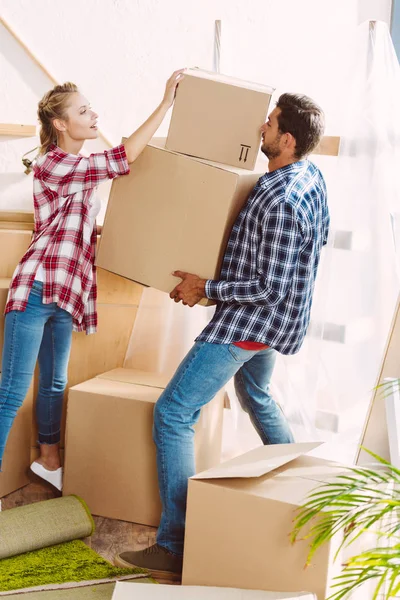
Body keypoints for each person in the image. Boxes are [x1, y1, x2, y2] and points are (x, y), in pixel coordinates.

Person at [115, 93, 330, 580]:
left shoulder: (280, 200)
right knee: (254, 393)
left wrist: (206, 288)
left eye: (270, 123)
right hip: (279, 323)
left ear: (288, 139)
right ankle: (299, 492)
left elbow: (266, 288)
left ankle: (174, 544)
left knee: (172, 412)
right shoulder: (309, 177)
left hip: (251, 325)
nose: (261, 127)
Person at [0, 69, 184, 491]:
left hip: (65, 294)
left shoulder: (76, 171)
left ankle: (48, 460)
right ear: (60, 124)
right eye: (83, 111)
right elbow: (125, 157)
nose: (93, 114)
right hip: (37, 289)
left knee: (55, 382)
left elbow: (71, 223)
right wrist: (166, 102)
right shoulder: (55, 163)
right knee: (12, 393)